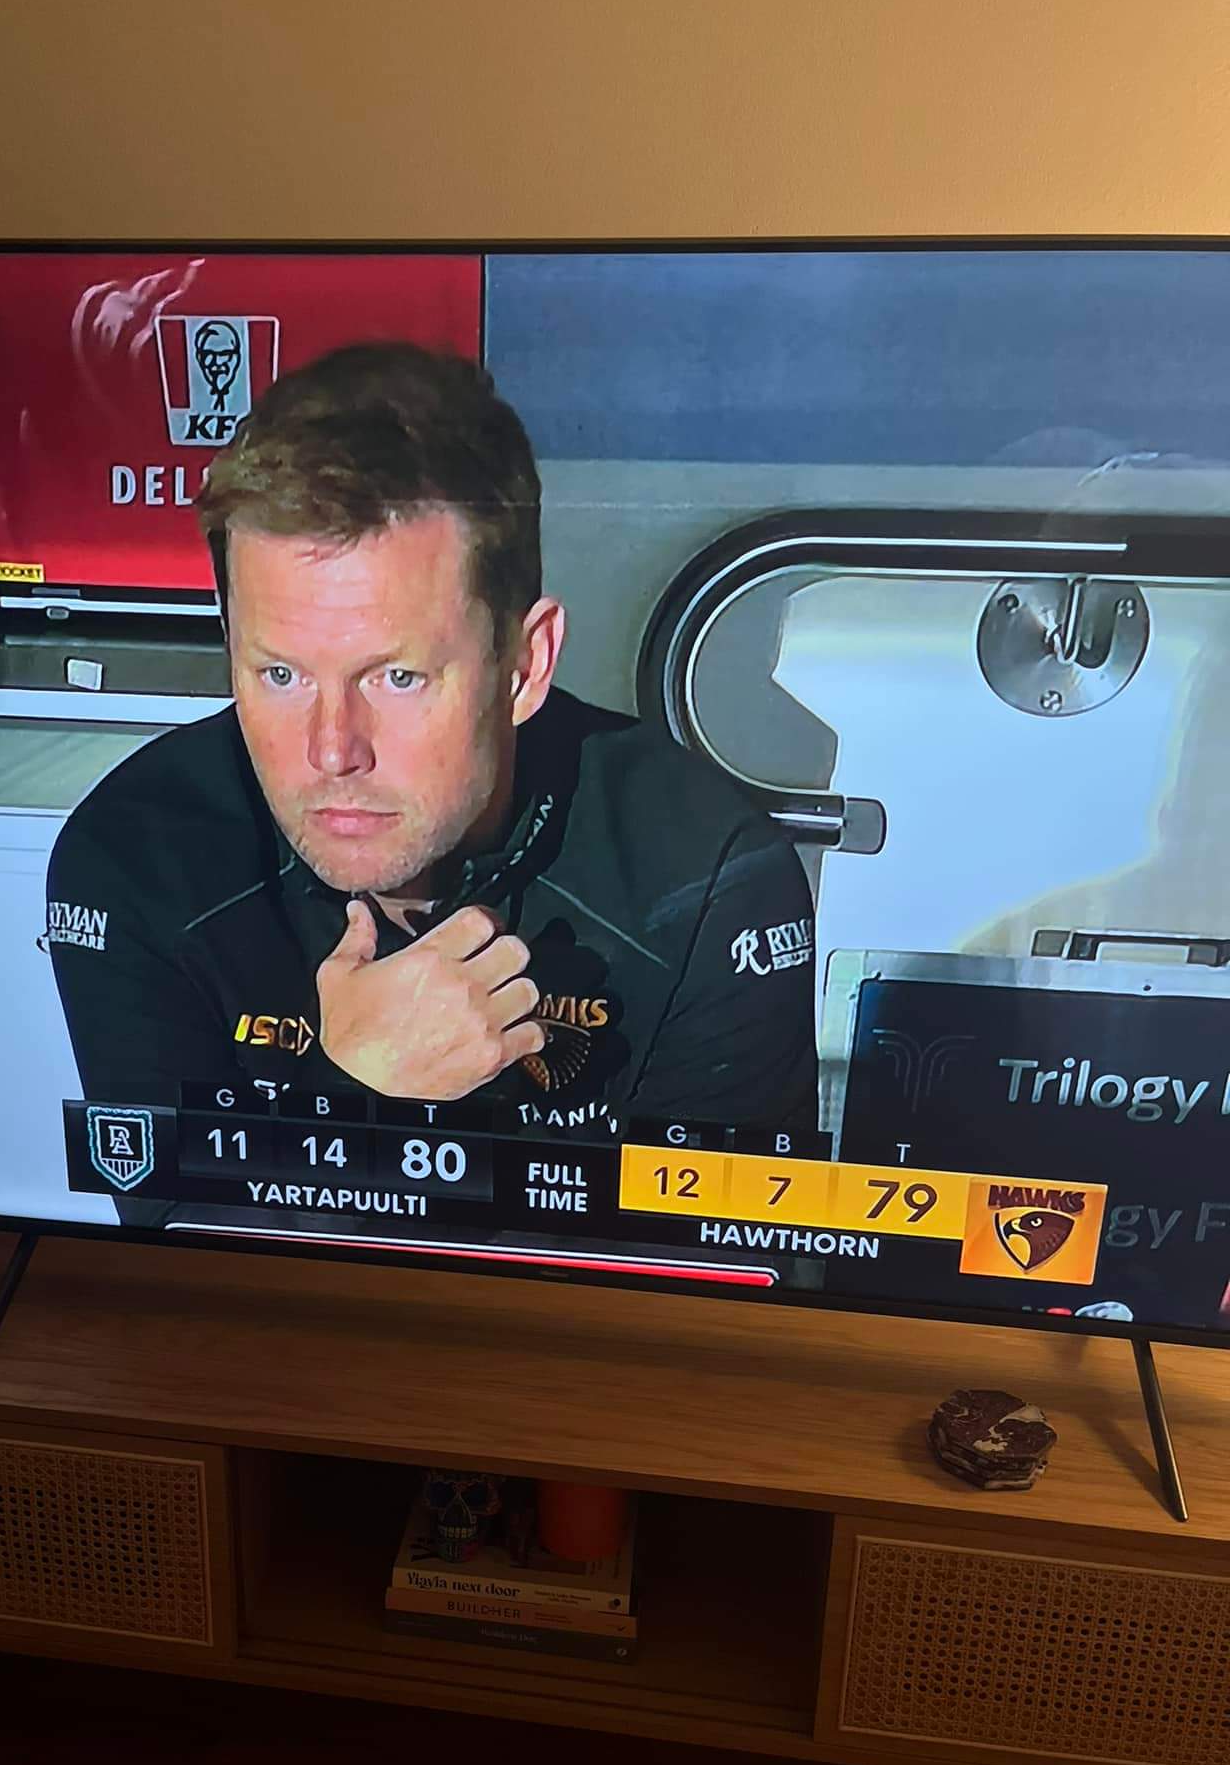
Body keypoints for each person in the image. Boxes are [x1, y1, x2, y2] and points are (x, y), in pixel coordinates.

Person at [47, 342, 818, 1217]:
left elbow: (712, 1276)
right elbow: (180, 1272)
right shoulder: (137, 857)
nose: (332, 751)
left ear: (524, 665)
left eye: (397, 677)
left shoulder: (706, 880)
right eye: (281, 675)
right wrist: (351, 1095)